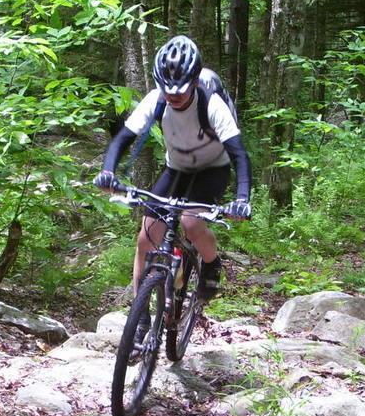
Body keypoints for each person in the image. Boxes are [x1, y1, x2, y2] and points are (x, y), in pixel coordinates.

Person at [93, 35, 252, 338]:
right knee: (146, 237)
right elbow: (123, 139)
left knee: (192, 222)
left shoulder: (211, 103)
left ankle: (211, 264)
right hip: (176, 167)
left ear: (194, 82)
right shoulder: (156, 100)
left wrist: (242, 198)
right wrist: (108, 172)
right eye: (168, 91)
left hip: (212, 169)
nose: (173, 97)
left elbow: (239, 154)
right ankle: (138, 320)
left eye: (179, 92)